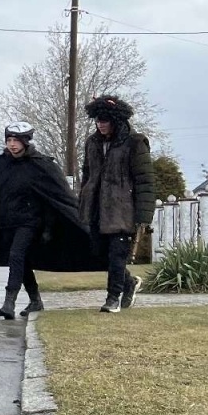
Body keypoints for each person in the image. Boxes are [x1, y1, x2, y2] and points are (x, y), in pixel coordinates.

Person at [0, 124, 93, 320]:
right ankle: (35, 300)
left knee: (16, 254)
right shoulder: (1, 163)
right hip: (6, 221)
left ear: (25, 141)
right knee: (19, 260)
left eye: (16, 141)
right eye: (9, 140)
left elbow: (60, 195)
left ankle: (9, 302)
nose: (12, 145)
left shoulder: (40, 164)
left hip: (31, 222)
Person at [76, 95, 155, 313]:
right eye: (98, 120)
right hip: (96, 209)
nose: (101, 124)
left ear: (116, 120)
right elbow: (87, 175)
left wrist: (143, 216)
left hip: (122, 210)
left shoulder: (135, 143)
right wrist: (83, 201)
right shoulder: (91, 143)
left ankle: (113, 298)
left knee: (117, 255)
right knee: (100, 255)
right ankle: (129, 282)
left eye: (105, 120)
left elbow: (145, 180)